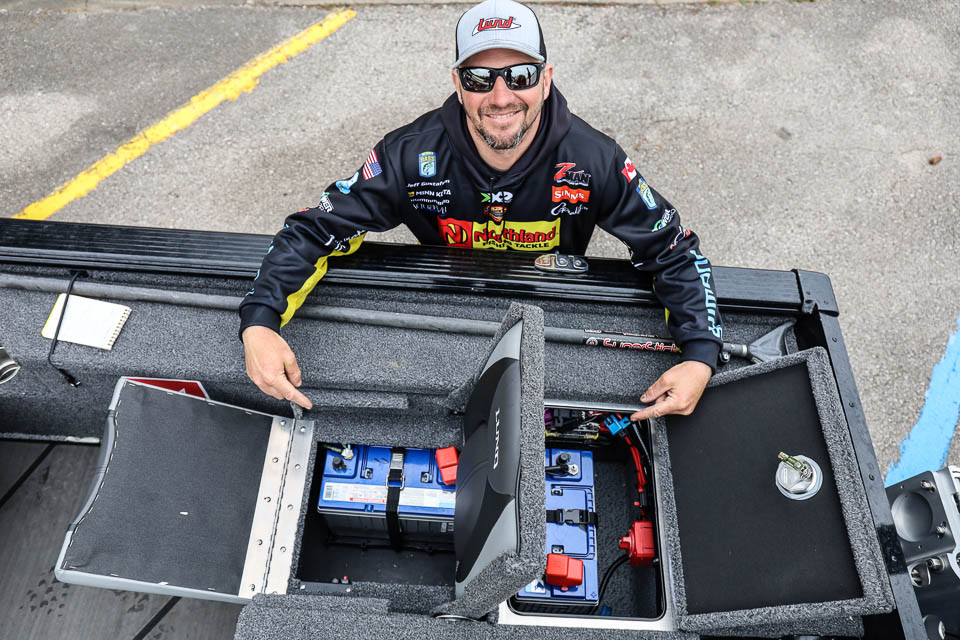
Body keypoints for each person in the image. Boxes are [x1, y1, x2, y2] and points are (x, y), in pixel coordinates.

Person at [239, 0, 723, 422]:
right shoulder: (408, 155)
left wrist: (700, 356)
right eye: (479, 78)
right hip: (447, 319)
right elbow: (314, 230)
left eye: (520, 76)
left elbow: (673, 250)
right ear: (457, 83)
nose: (500, 97)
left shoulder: (595, 160)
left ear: (546, 80)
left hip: (550, 320)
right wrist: (260, 322)